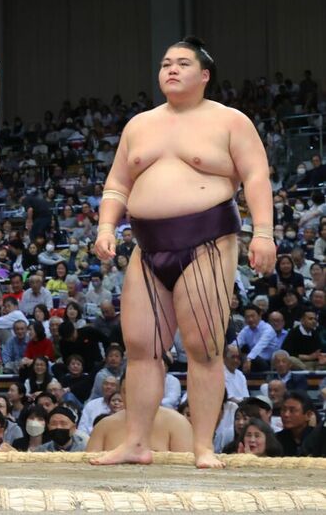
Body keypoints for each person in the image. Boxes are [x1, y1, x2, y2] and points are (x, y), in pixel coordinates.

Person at [91, 37, 275, 469]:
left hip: (206, 241)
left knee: (203, 347)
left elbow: (256, 176)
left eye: (183, 64)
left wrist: (263, 233)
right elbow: (118, 183)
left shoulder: (230, 121)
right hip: (146, 245)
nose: (171, 69)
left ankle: (204, 446)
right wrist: (105, 226)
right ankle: (137, 441)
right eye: (165, 64)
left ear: (205, 75)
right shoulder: (139, 125)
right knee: (139, 347)